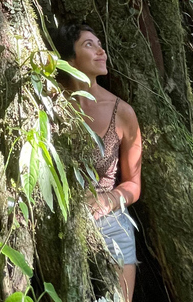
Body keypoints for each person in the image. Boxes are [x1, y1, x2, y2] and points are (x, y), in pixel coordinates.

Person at [52, 22, 142, 302]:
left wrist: (107, 201)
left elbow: (133, 184)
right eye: (89, 45)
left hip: (111, 222)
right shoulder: (49, 102)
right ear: (70, 59)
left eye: (100, 44)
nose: (101, 51)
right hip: (57, 221)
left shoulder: (122, 112)